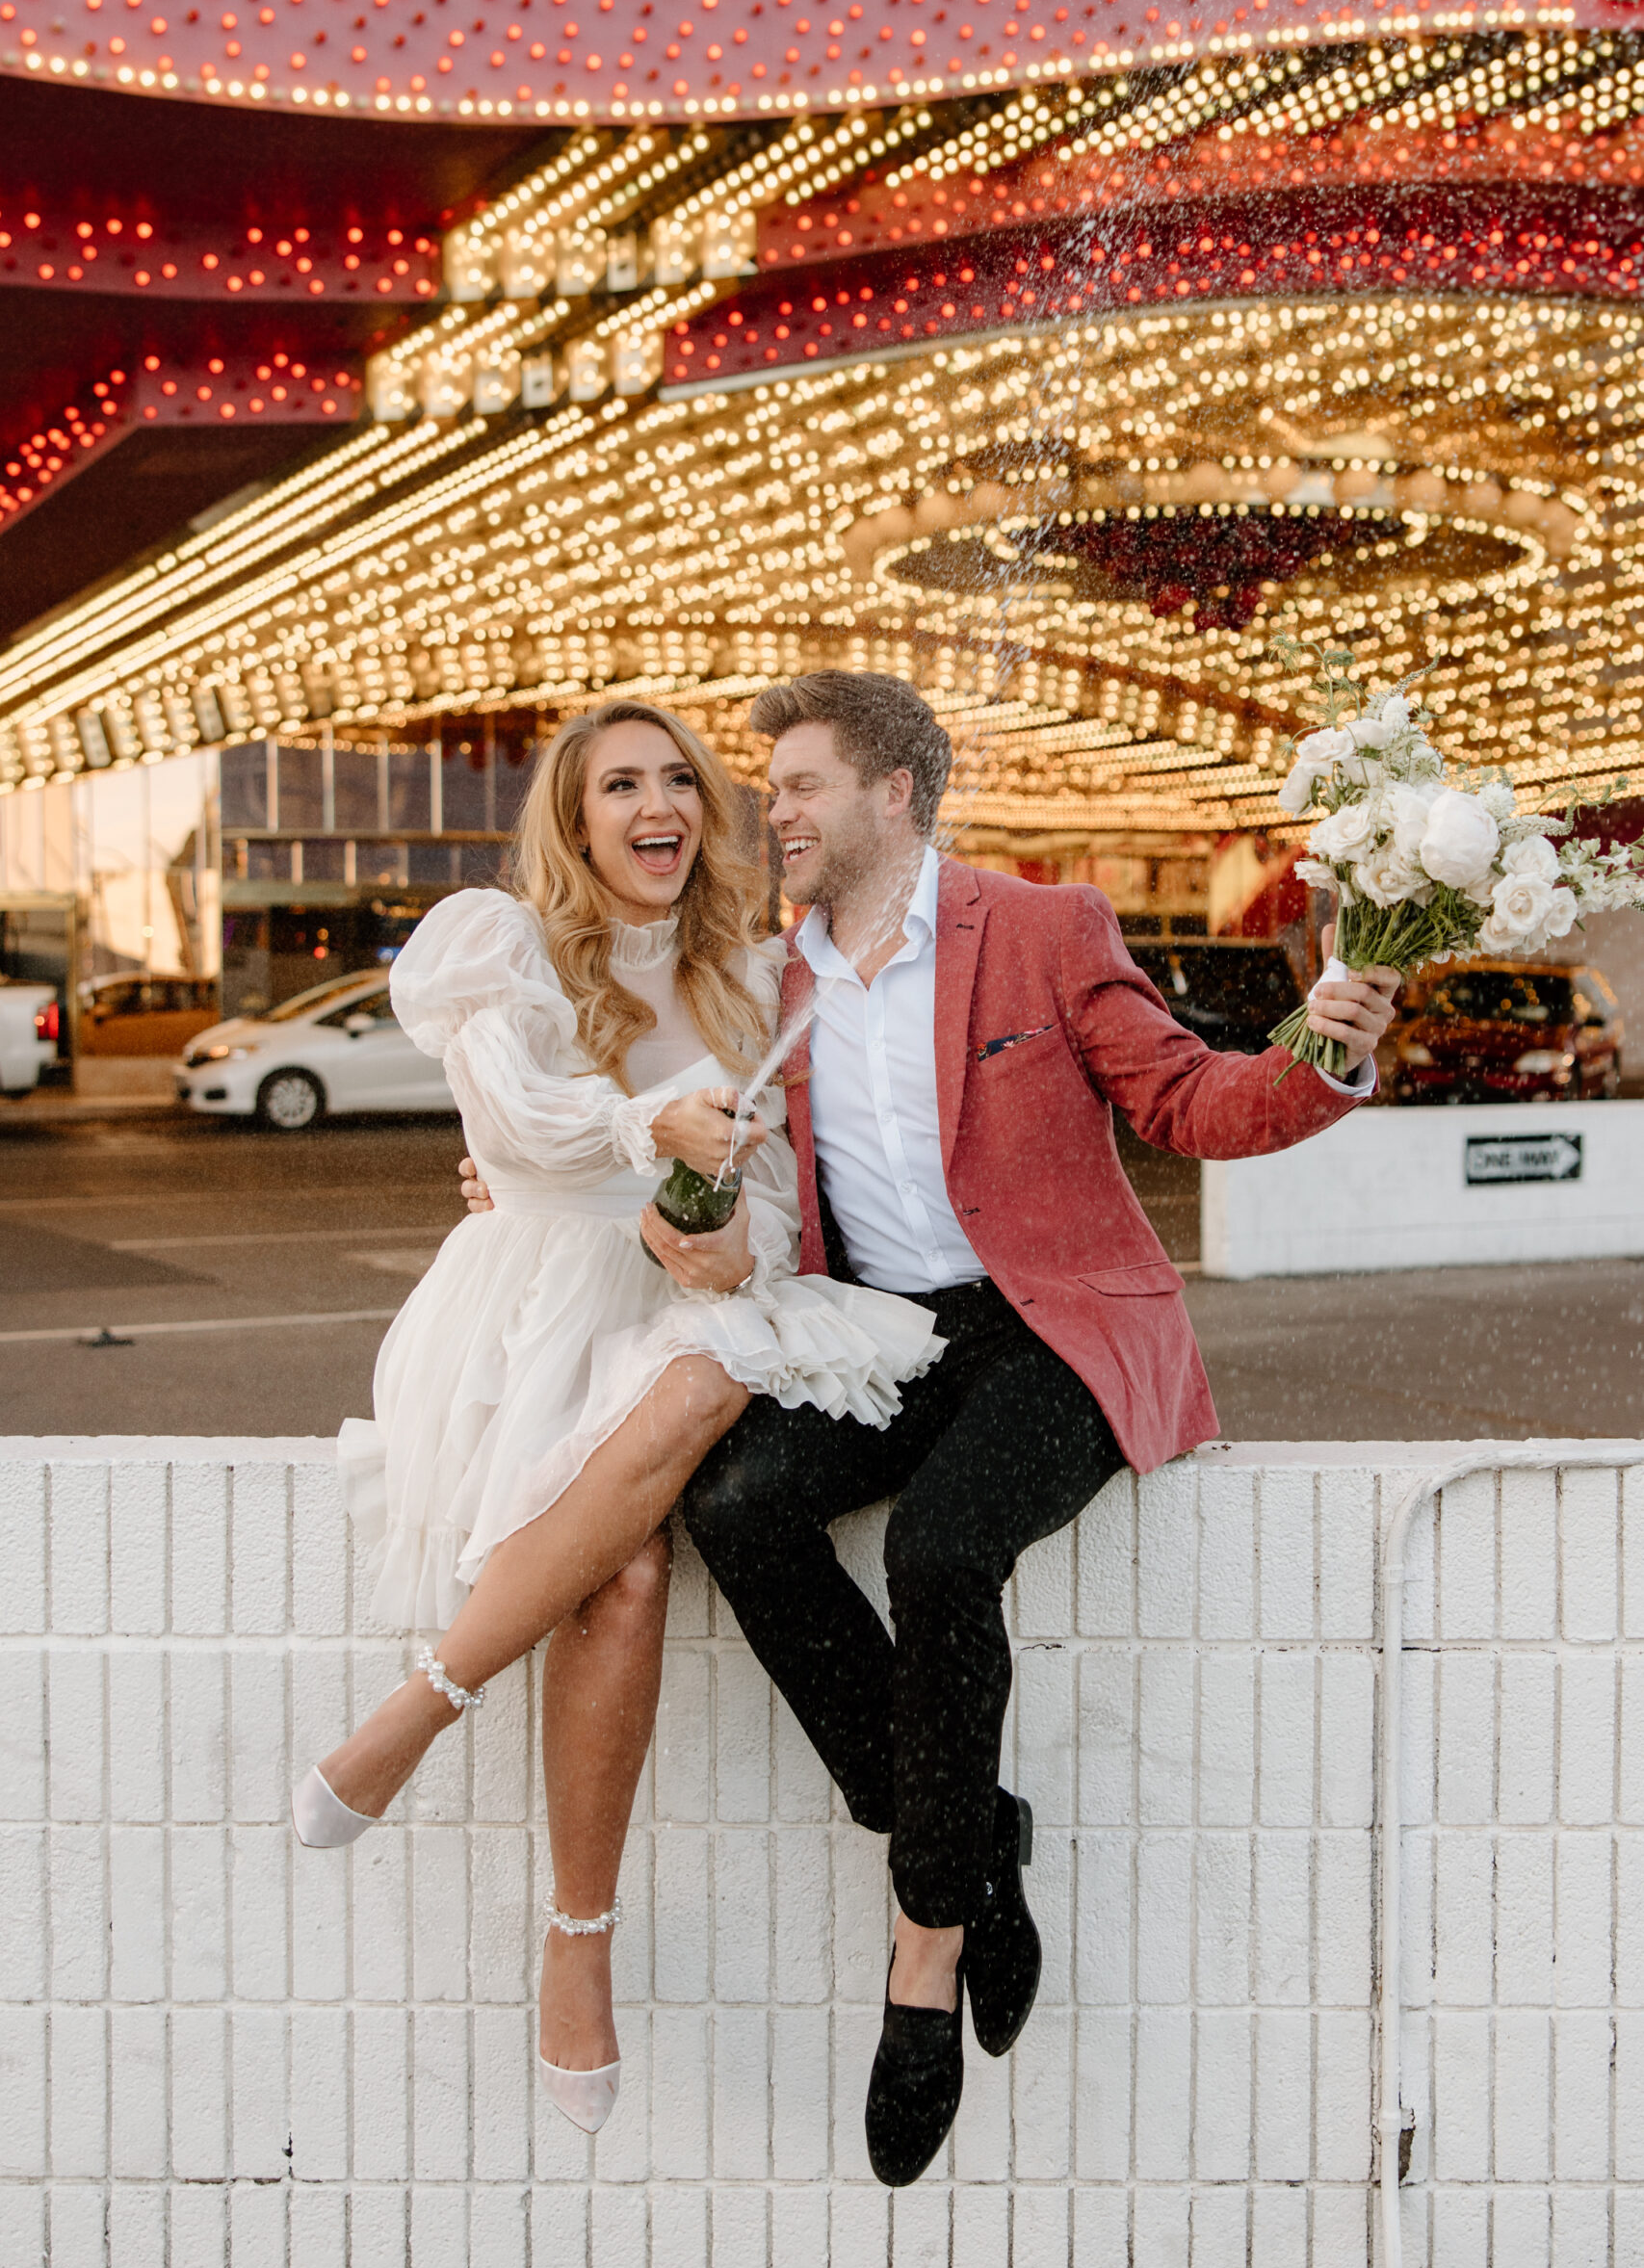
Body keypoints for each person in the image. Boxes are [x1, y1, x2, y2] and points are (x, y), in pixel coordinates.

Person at [461, 670, 1398, 2184]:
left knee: (946, 1546)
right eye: (770, 791)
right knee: (737, 1509)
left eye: (804, 786)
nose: (774, 812)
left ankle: (925, 1948)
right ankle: (976, 1832)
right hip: (884, 1333)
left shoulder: (1043, 929)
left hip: (1053, 1329)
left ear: (897, 794)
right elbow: (641, 1114)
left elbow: (1187, 1102)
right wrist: (527, 1186)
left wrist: (1325, 1051)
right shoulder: (774, 982)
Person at [292, 699, 941, 2140]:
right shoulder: (502, 946)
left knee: (713, 1360)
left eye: (677, 784)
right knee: (627, 1570)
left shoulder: (753, 977)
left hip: (667, 1327)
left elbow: (769, 1210)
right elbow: (513, 1119)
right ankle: (574, 1934)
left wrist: (718, 1246)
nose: (657, 807)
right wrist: (640, 1132)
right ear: (575, 822)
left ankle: (418, 1710)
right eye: (619, 786)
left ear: (705, 814)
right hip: (526, 1323)